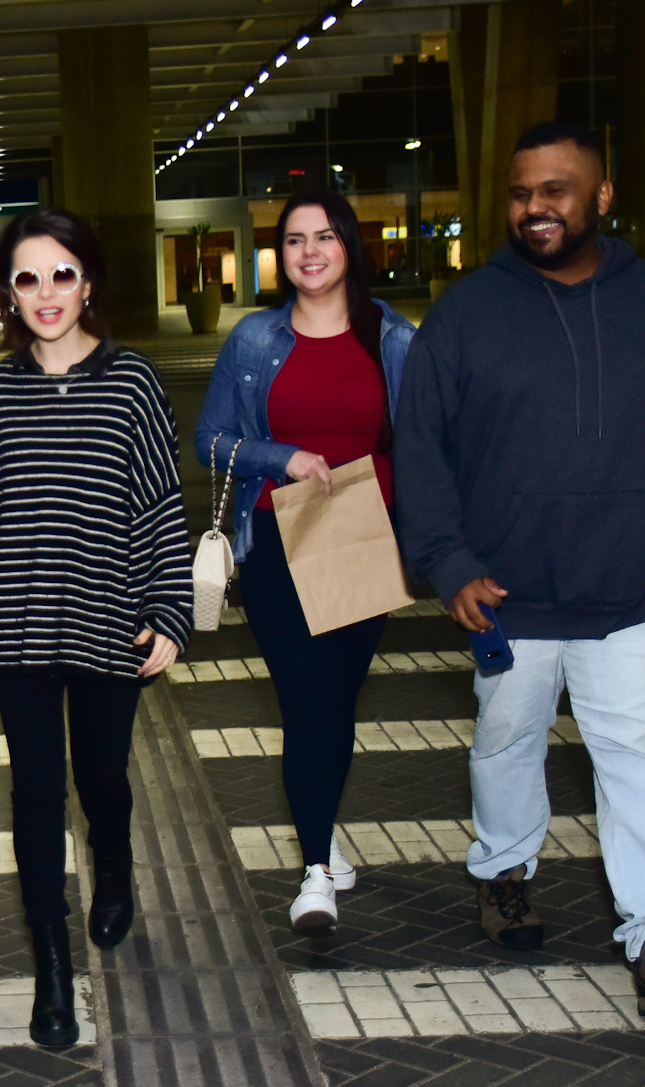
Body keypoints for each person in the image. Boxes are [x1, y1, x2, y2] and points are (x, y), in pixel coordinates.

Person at [396, 121, 645, 1016]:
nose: (536, 208)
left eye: (557, 190)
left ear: (601, 197)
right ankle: (502, 869)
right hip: (506, 593)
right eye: (523, 192)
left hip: (632, 586)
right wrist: (448, 562)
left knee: (636, 752)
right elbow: (419, 450)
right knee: (506, 743)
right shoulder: (465, 313)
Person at [0, 208, 192, 1047]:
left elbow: (160, 508)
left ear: (88, 283)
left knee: (101, 780)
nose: (47, 293)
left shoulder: (132, 383)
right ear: (7, 294)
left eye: (63, 274)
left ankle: (117, 858)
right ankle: (52, 961)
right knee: (33, 793)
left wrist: (169, 609)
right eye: (28, 277)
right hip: (24, 621)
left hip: (107, 616)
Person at [195, 191, 416, 934]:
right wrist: (277, 455)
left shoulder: (393, 340)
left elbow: (422, 446)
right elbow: (211, 441)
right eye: (294, 240)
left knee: (337, 703)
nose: (310, 251)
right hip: (276, 538)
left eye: (324, 236)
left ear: (349, 244)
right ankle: (316, 871)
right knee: (309, 704)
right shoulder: (254, 340)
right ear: (279, 254)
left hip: (359, 534)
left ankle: (322, 830)